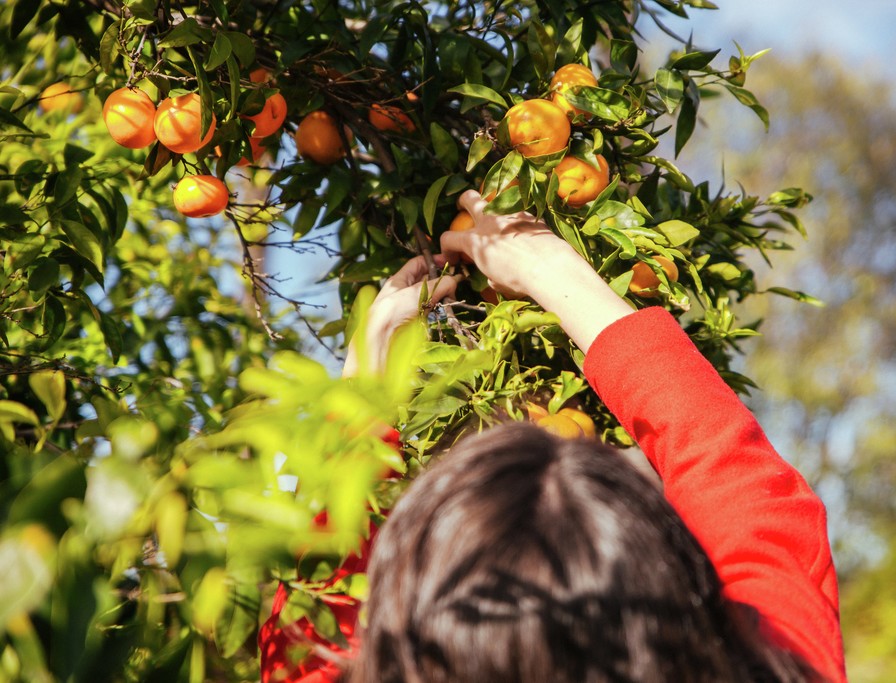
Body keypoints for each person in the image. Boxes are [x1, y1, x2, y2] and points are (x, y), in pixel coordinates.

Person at [259, 191, 847, 682]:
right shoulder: (766, 665)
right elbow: (742, 489)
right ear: (666, 582)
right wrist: (552, 272)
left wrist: (367, 373)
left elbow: (313, 613)